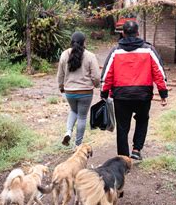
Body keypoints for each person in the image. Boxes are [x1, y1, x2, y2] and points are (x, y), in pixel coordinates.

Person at [100, 21, 168, 160]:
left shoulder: (116, 51)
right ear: (138, 33)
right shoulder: (148, 50)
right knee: (142, 120)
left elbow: (107, 74)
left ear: (123, 33)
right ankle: (136, 150)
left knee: (122, 126)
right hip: (143, 95)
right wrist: (163, 93)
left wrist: (104, 92)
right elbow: (158, 72)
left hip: (121, 95)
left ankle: (124, 158)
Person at [57, 31, 101, 147]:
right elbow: (96, 76)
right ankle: (78, 144)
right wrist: (97, 85)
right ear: (84, 42)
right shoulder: (90, 56)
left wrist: (61, 86)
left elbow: (60, 74)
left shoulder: (64, 54)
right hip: (85, 92)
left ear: (71, 42)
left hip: (70, 92)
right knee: (82, 117)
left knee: (73, 111)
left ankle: (68, 132)